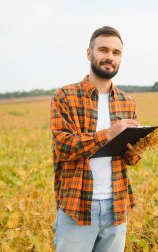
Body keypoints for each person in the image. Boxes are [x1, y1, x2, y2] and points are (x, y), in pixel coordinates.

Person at [50, 26, 145, 252]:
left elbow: (129, 159)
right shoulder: (65, 96)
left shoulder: (127, 102)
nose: (109, 57)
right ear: (89, 53)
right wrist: (110, 133)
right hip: (78, 206)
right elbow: (63, 146)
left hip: (117, 206)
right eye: (103, 50)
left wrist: (137, 149)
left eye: (116, 52)